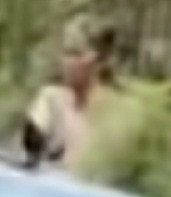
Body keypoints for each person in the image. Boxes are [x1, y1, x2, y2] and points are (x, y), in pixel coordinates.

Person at [19, 22, 116, 170]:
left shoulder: (115, 111)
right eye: (66, 54)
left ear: (99, 60)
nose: (66, 62)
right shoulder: (51, 98)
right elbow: (32, 146)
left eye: (76, 55)